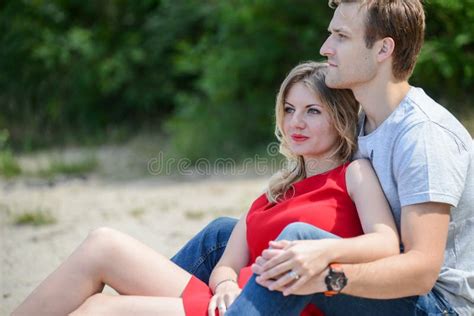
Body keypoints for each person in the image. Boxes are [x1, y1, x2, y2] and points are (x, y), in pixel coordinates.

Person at [12, 62, 401, 316]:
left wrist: (324, 250)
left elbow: (386, 243)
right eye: (289, 109)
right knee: (102, 245)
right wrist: (227, 283)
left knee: (100, 311)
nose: (296, 121)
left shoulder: (354, 174)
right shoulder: (275, 191)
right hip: (229, 301)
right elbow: (227, 264)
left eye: (312, 111)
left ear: (340, 116)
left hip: (279, 307)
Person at [179, 1, 473, 315]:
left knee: (298, 239)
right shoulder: (364, 123)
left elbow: (421, 272)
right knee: (223, 234)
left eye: (341, 36)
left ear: (383, 49)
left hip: (438, 306)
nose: (325, 48)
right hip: (382, 278)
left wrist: (325, 276)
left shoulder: (422, 135)